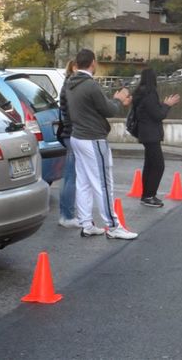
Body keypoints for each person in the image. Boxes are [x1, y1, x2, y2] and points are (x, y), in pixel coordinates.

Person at [65, 49, 138, 240]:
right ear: (93, 63)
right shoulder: (90, 85)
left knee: (84, 182)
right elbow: (109, 110)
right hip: (93, 138)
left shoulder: (70, 84)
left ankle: (86, 224)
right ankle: (113, 227)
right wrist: (119, 99)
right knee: (103, 183)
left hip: (77, 136)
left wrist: (113, 100)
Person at [132, 68, 180, 207]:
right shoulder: (150, 94)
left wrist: (163, 105)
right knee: (158, 165)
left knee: (149, 165)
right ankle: (149, 195)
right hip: (151, 134)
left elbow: (150, 111)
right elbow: (158, 115)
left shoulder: (140, 93)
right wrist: (167, 105)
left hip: (145, 133)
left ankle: (146, 195)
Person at [58, 59, 80, 228]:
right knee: (72, 177)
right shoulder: (71, 86)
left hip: (68, 133)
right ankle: (67, 215)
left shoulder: (66, 85)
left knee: (68, 177)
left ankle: (64, 214)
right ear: (74, 67)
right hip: (73, 133)